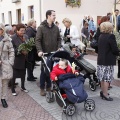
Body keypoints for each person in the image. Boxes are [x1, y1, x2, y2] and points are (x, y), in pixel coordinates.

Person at [35, 10, 61, 96]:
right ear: (48, 16)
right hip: (44, 53)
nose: (55, 16)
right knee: (44, 71)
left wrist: (59, 47)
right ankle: (42, 88)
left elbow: (59, 39)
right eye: (53, 15)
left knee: (51, 70)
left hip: (54, 52)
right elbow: (37, 40)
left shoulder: (56, 28)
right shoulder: (41, 28)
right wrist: (39, 51)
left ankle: (49, 87)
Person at [97, 22, 120, 101]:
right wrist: (118, 52)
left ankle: (103, 92)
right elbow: (114, 49)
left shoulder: (101, 36)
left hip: (101, 60)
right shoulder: (111, 36)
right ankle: (105, 94)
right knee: (107, 78)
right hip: (108, 60)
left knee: (102, 78)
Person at [11, 23, 29, 96]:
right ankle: (13, 89)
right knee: (14, 75)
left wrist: (27, 50)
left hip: (24, 59)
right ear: (17, 31)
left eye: (24, 30)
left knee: (23, 74)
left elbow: (29, 45)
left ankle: (23, 86)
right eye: (21, 31)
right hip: (16, 59)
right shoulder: (13, 38)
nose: (23, 32)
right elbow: (12, 49)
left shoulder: (26, 36)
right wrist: (20, 51)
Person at [0, 23, 14, 108]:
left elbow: (11, 51)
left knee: (4, 83)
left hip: (5, 64)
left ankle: (3, 98)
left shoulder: (7, 39)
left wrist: (10, 61)